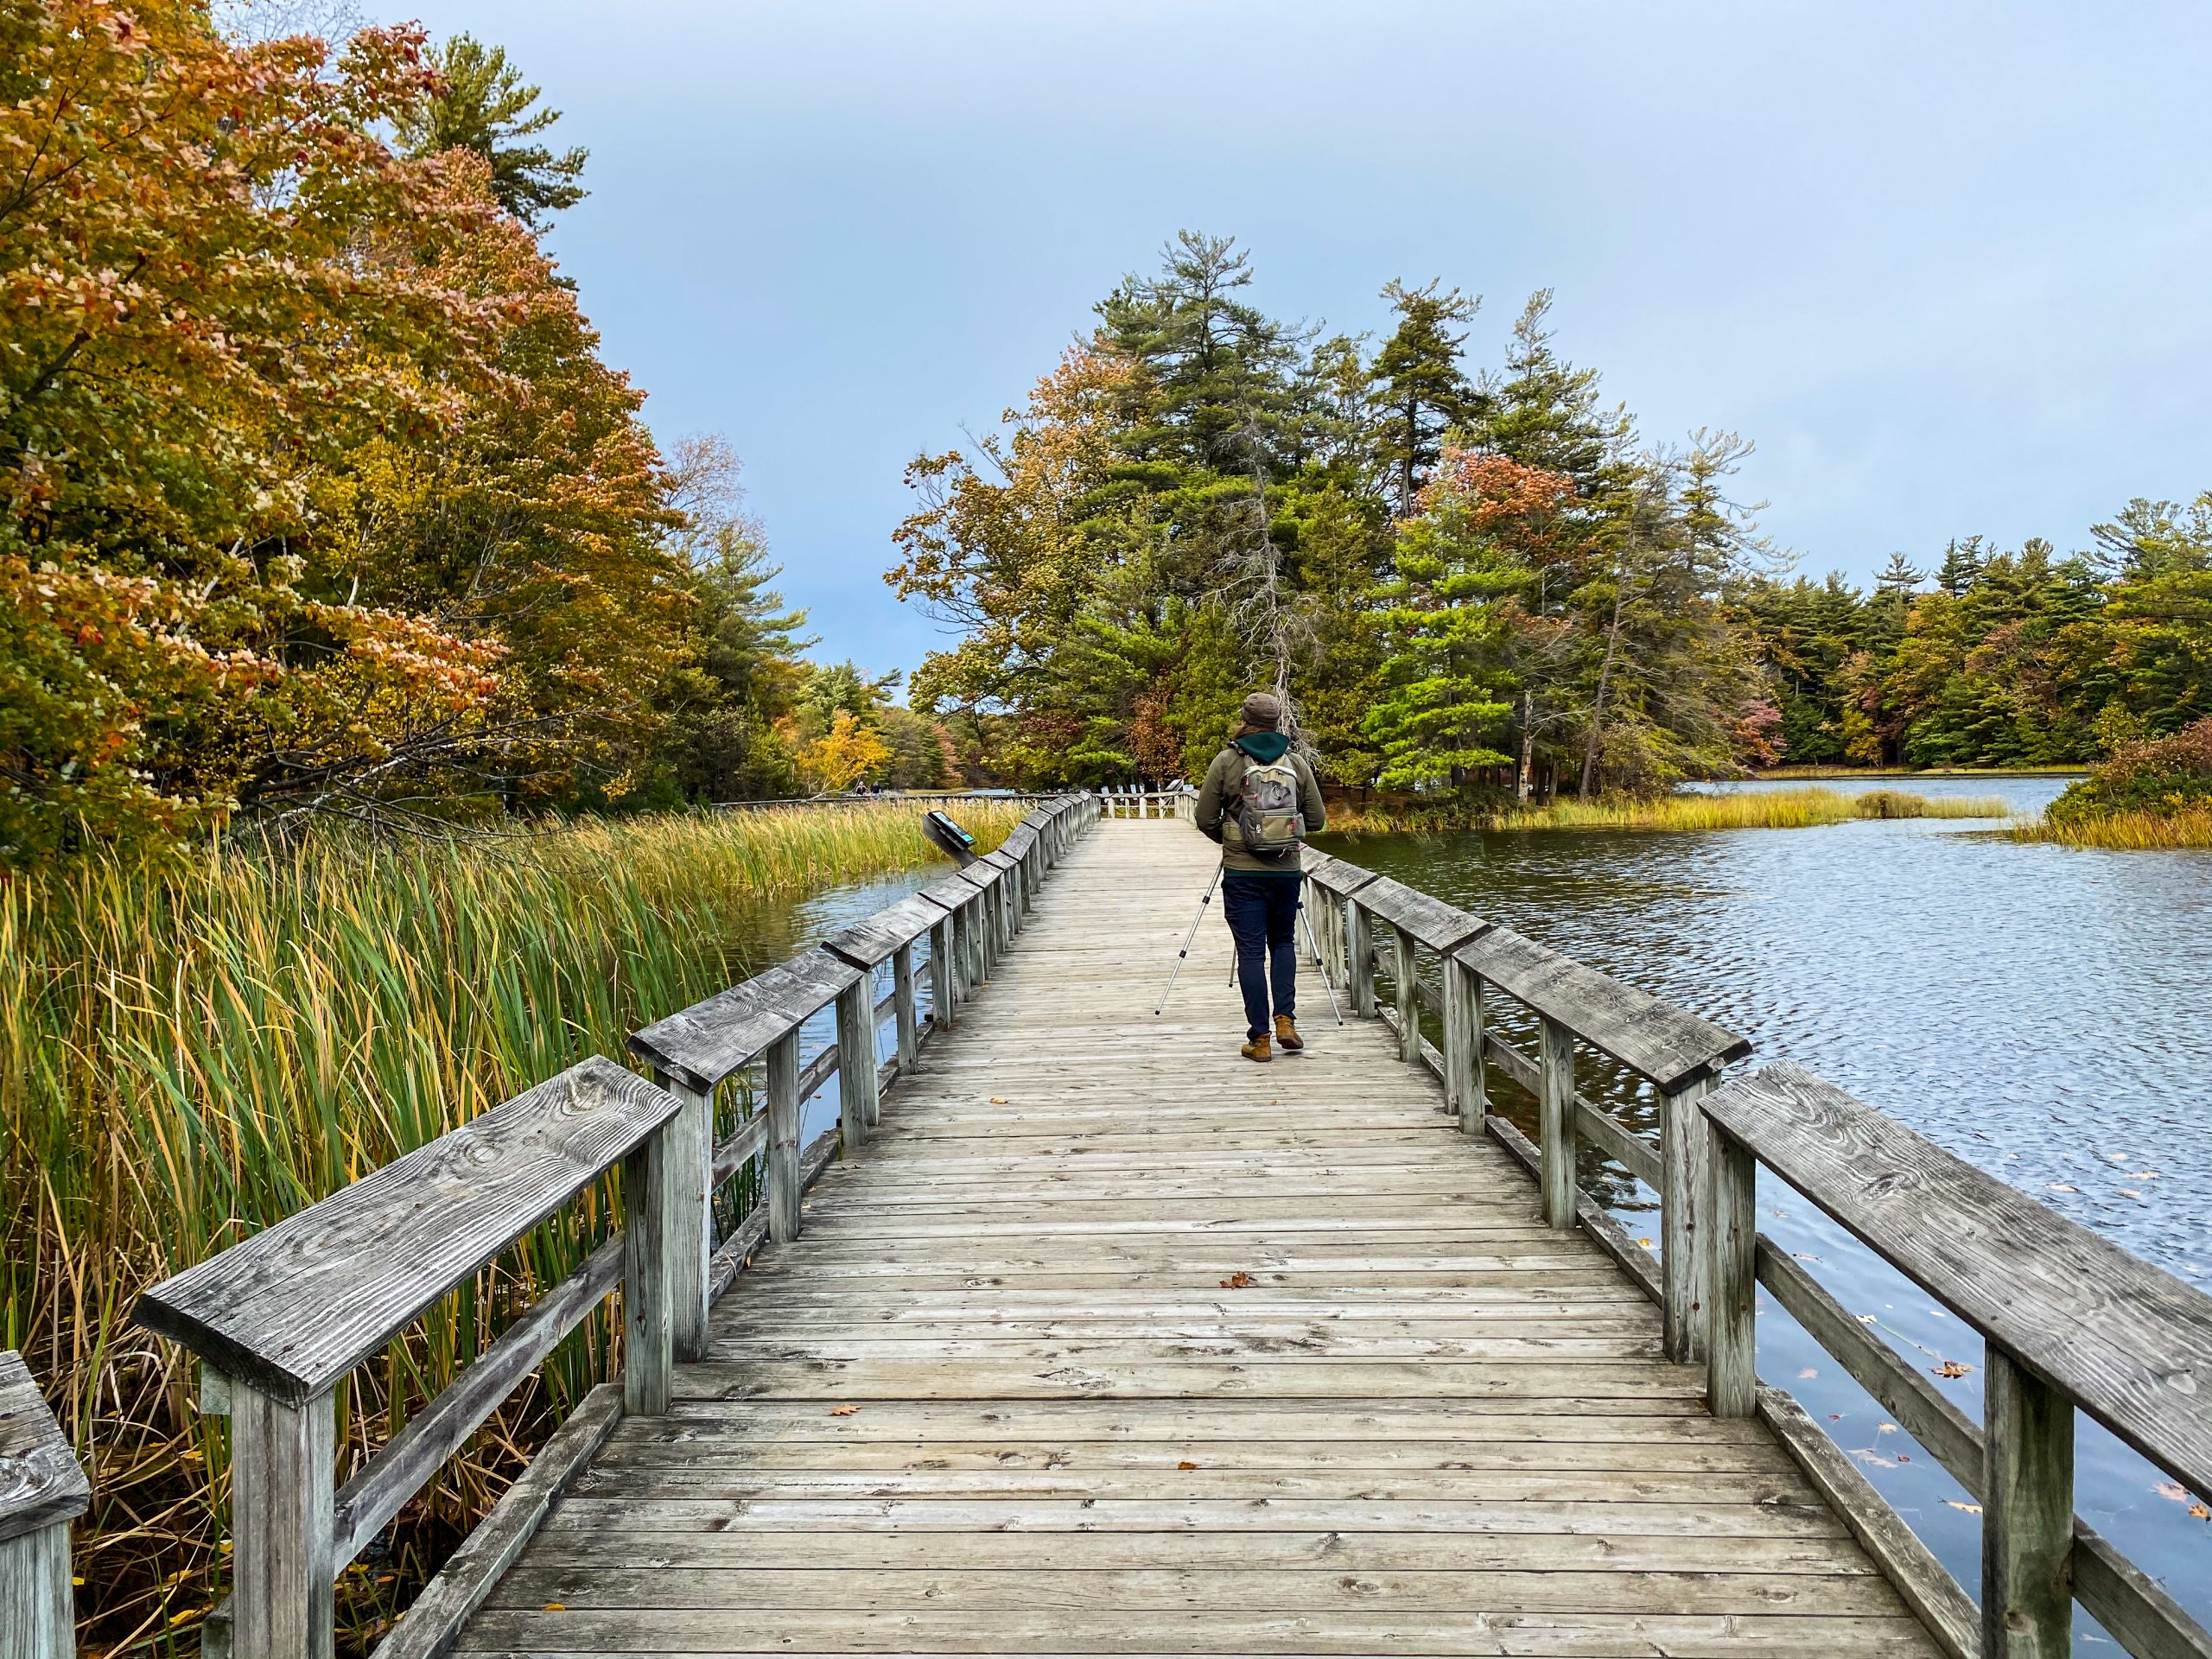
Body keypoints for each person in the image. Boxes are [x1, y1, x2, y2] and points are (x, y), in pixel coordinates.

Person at [1194, 691, 1327, 1062]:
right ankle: (1286, 1021)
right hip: (1286, 872)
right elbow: (1315, 821)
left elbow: (1205, 818)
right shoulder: (1296, 763)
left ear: (1244, 719)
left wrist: (1234, 840)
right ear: (1277, 721)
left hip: (1243, 873)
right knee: (1283, 943)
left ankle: (1261, 1040)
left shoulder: (1226, 761)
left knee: (1250, 953)